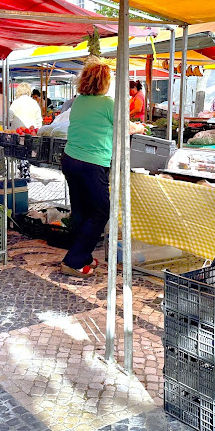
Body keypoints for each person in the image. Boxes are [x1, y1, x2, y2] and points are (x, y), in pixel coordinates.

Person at [61, 57, 145, 278]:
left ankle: (84, 256)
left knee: (81, 210)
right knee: (100, 211)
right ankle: (73, 261)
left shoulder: (79, 101)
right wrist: (139, 128)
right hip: (92, 163)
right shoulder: (108, 104)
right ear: (105, 82)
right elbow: (124, 127)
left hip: (70, 159)